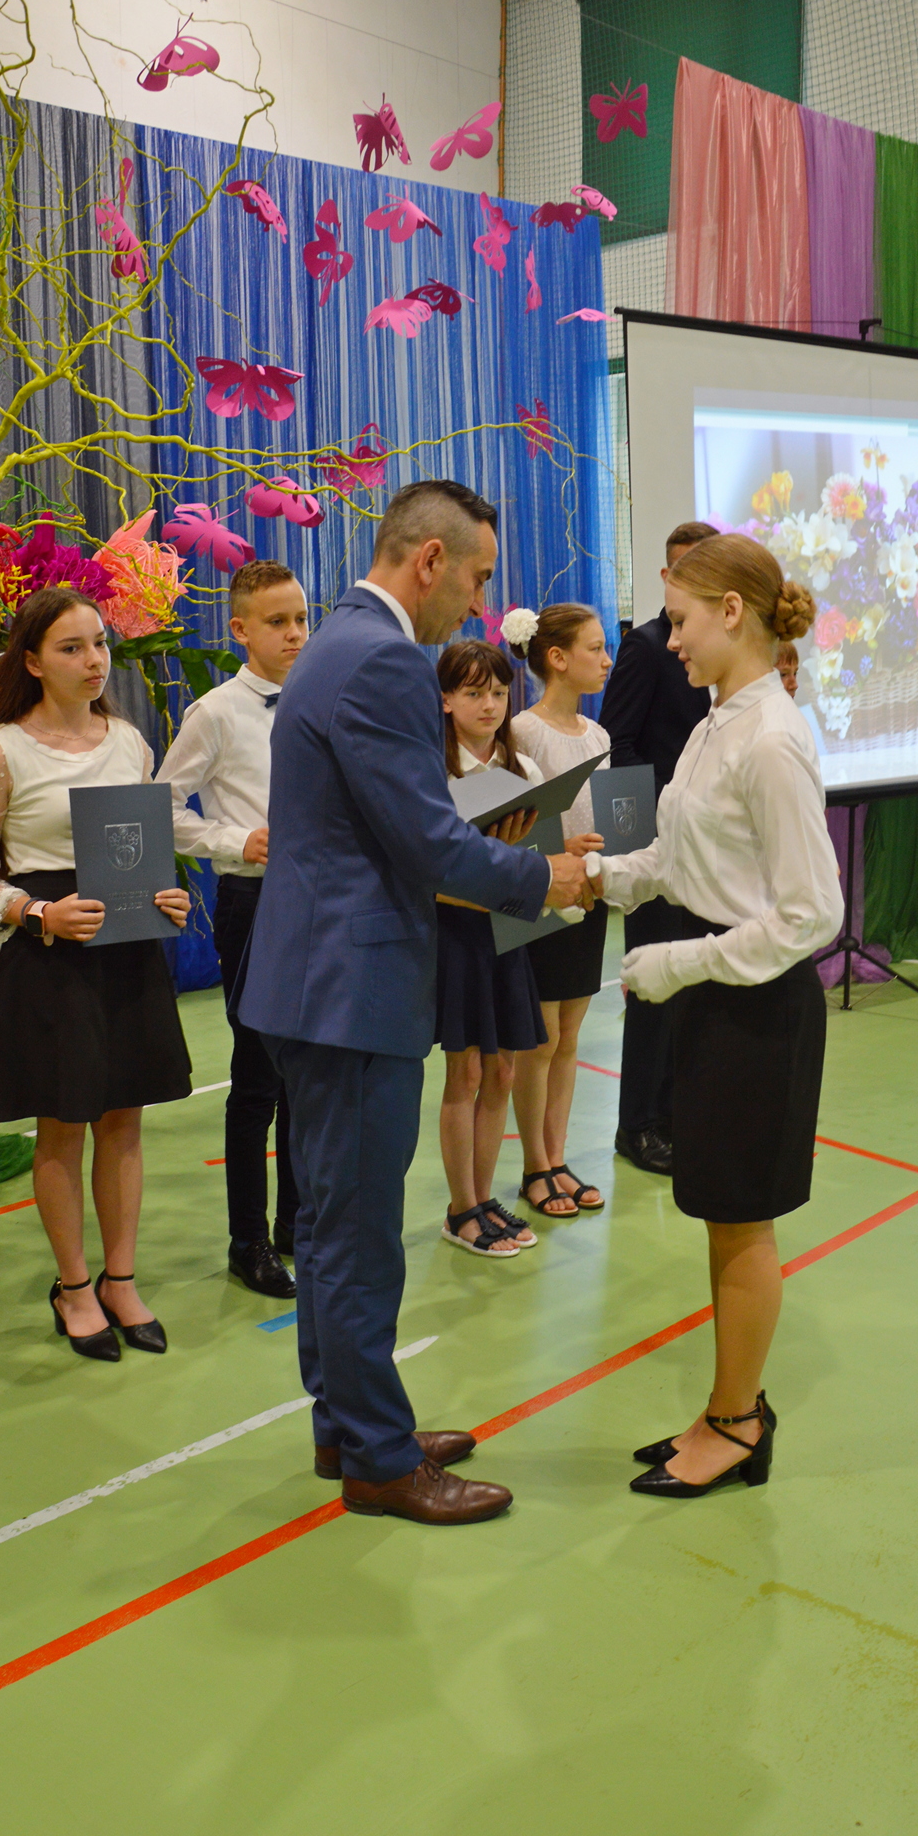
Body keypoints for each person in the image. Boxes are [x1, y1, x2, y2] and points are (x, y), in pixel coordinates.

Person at [236, 480, 593, 1525]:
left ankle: (347, 1423)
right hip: (351, 988)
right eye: (476, 578)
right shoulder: (385, 659)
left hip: (315, 980)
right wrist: (544, 877)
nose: (479, 605)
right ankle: (379, 1458)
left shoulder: (336, 643)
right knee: (355, 1232)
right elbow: (429, 840)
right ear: (429, 560)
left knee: (330, 1220)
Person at [598, 535, 842, 1500]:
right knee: (718, 1215)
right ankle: (727, 1407)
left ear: (731, 613)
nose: (671, 642)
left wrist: (682, 962)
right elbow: (679, 858)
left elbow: (811, 914)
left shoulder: (770, 737)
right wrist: (596, 877)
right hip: (716, 996)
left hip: (755, 1007)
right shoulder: (714, 722)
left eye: (682, 621)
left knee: (741, 1225)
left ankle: (738, 1424)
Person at [0, 586, 192, 1363]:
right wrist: (36, 912)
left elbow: (140, 851)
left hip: (127, 947)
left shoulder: (130, 742)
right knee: (62, 1126)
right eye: (72, 647)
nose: (93, 661)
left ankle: (121, 1279)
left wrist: (168, 895)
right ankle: (74, 1286)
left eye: (100, 644)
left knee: (125, 1120)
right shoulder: (2, 750)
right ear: (31, 662)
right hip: (49, 950)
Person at [158, 559, 307, 1302]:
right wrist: (234, 839)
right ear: (241, 629)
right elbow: (160, 805)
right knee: (257, 1079)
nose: (295, 634)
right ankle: (247, 1240)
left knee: (306, 1075)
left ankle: (297, 1223)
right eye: (277, 622)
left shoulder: (320, 699)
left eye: (302, 619)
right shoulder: (215, 712)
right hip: (255, 903)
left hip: (318, 901)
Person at [599, 520, 716, 1176]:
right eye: (684, 568)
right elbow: (616, 743)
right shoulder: (646, 646)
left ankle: (674, 1115)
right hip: (655, 845)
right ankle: (636, 1125)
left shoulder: (719, 647)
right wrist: (638, 842)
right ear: (666, 575)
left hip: (705, 846)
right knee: (650, 990)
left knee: (690, 986)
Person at [435, 639, 546, 1259]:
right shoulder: (435, 772)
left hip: (508, 930)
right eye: (473, 692)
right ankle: (461, 1209)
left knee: (504, 1069)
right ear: (446, 700)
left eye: (499, 692)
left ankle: (483, 1198)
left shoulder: (521, 769)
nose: (489, 705)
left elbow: (537, 852)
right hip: (457, 933)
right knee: (467, 1070)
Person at [509, 606, 612, 1220]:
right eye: (595, 648)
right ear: (557, 658)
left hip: (588, 898)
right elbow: (511, 826)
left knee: (570, 1036)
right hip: (543, 897)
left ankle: (557, 1156)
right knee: (541, 1041)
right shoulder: (523, 732)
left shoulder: (598, 736)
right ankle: (534, 1166)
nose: (605, 660)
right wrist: (557, 854)